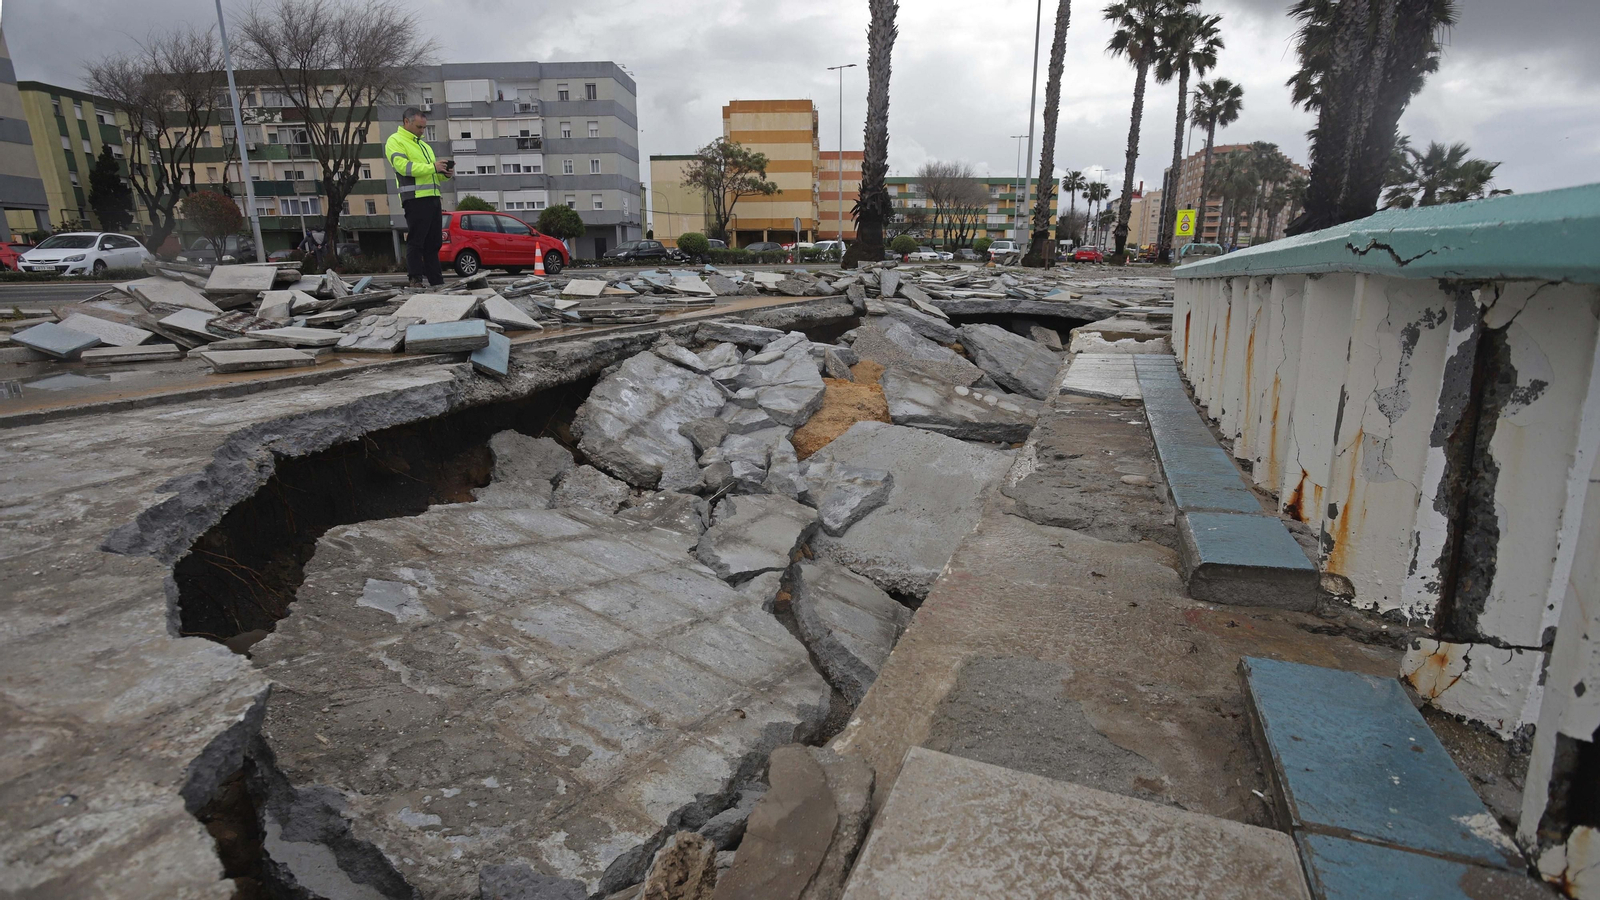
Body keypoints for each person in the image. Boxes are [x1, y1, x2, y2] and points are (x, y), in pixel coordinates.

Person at [385, 107, 453, 288]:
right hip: (414, 198)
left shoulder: (424, 145)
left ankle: (436, 281)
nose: (422, 131)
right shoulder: (395, 141)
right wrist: (433, 167)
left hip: (432, 198)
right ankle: (415, 279)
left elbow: (432, 176)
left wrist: (444, 173)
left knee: (434, 243)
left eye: (424, 127)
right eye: (419, 127)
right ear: (406, 122)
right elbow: (403, 167)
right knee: (416, 241)